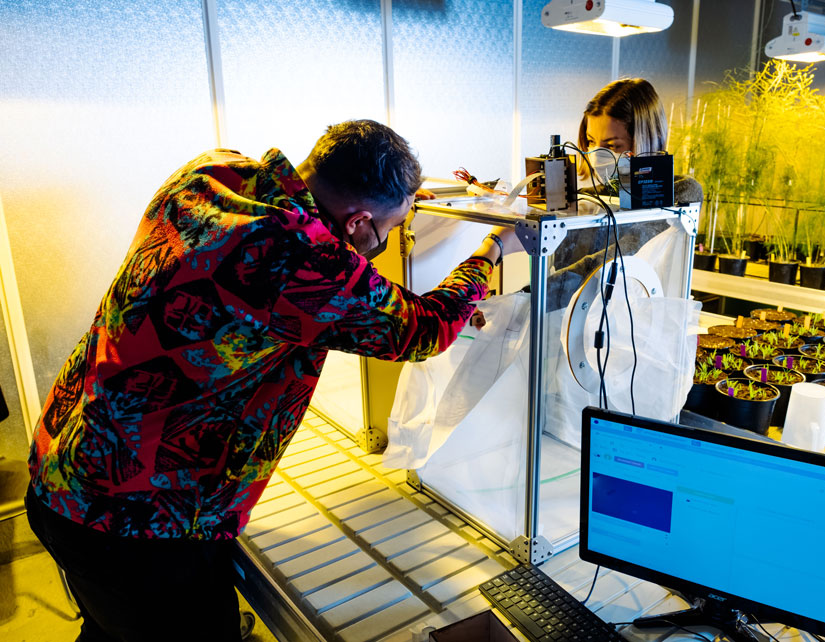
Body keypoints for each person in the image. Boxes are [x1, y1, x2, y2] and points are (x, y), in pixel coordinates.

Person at [24, 119, 522, 641]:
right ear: (355, 222)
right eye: (390, 228)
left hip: (65, 463)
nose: (391, 238)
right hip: (136, 521)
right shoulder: (300, 256)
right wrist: (493, 248)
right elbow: (424, 328)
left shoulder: (213, 173)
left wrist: (392, 211)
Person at [547, 78, 703, 310]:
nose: (596, 154)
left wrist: (534, 298)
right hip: (576, 323)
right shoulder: (591, 198)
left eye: (612, 146)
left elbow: (615, 258)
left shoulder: (678, 195)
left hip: (636, 328)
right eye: (591, 142)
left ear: (644, 140)